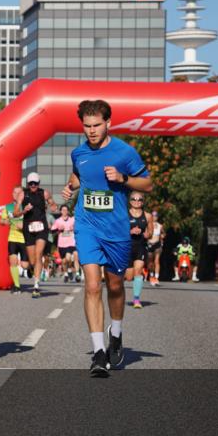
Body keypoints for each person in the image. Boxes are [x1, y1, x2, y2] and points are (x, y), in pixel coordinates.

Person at [61, 99, 152, 377]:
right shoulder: (79, 153)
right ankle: (99, 353)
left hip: (116, 230)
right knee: (91, 286)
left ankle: (117, 333)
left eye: (96, 125)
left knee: (114, 286)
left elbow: (147, 184)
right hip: (87, 226)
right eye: (87, 126)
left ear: (108, 123)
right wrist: (70, 187)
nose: (91, 131)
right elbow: (78, 176)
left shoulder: (125, 152)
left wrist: (123, 178)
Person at [16, 172, 58, 298]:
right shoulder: (22, 194)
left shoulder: (44, 193)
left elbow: (53, 205)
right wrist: (24, 210)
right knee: (33, 260)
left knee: (39, 254)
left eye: (35, 183)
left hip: (41, 228)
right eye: (31, 183)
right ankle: (32, 269)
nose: (33, 185)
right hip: (28, 229)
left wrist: (52, 206)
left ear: (39, 183)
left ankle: (36, 285)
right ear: (28, 184)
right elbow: (16, 213)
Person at [125, 193, 154, 309]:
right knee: (128, 277)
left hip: (141, 246)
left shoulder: (147, 216)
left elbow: (151, 233)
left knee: (138, 271)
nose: (137, 201)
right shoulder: (124, 215)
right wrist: (130, 232)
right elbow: (117, 231)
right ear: (130, 201)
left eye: (140, 199)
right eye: (134, 199)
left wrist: (148, 234)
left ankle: (136, 300)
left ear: (143, 202)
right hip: (127, 246)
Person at [0, 186, 27, 294]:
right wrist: (4, 222)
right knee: (13, 261)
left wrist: (24, 225)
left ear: (22, 194)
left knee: (25, 265)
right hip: (13, 238)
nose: (16, 194)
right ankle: (17, 285)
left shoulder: (26, 207)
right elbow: (1, 220)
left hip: (25, 239)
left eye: (19, 192)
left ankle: (30, 269)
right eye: (14, 192)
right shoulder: (8, 207)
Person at [50, 205, 78, 283]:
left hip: (71, 243)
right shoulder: (58, 221)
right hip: (62, 244)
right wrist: (59, 229)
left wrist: (74, 228)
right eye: (63, 210)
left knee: (69, 257)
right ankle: (67, 272)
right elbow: (52, 231)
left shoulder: (72, 220)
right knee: (64, 261)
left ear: (68, 211)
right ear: (61, 211)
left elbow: (78, 227)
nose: (64, 212)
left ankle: (71, 272)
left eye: (66, 210)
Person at [146, 210, 164, 285]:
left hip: (157, 244)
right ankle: (151, 276)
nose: (154, 217)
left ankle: (156, 277)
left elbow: (163, 233)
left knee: (157, 261)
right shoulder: (147, 225)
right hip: (149, 244)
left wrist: (162, 236)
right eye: (153, 216)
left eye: (156, 216)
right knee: (150, 262)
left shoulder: (160, 226)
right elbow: (145, 234)